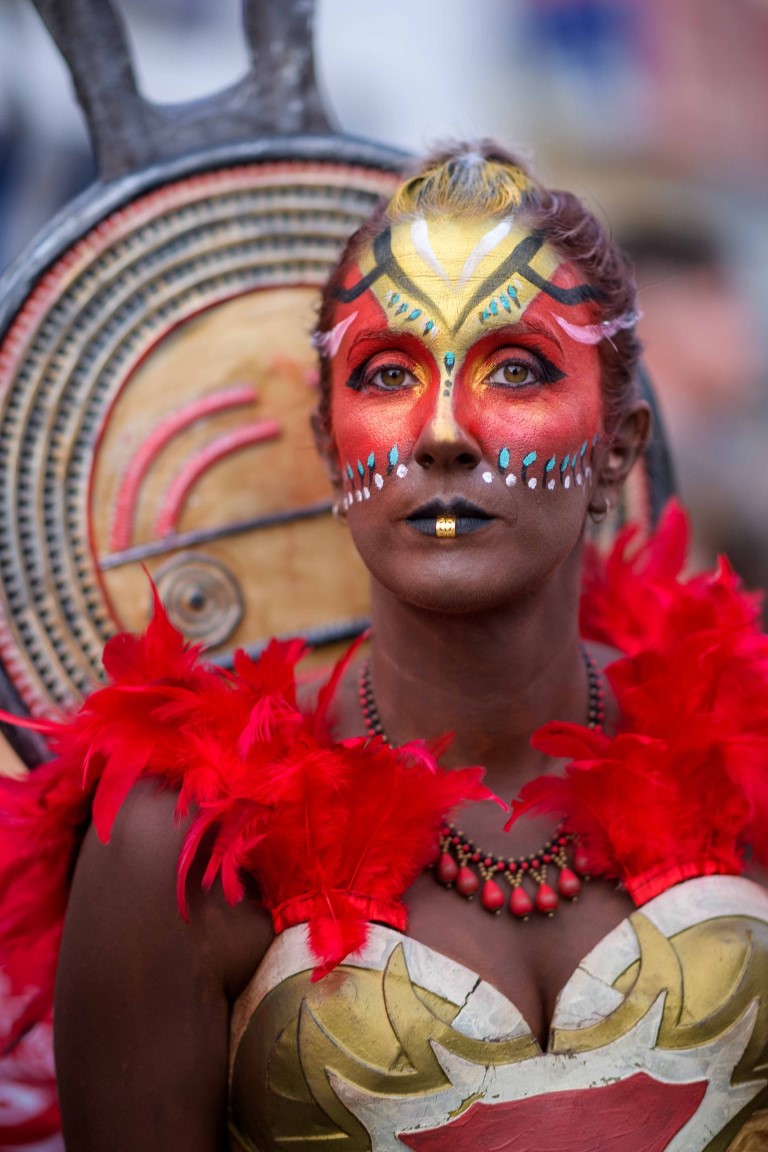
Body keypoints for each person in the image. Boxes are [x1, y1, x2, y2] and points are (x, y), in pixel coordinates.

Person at [2, 143, 768, 1152]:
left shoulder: (750, 773)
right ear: (332, 448)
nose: (443, 431)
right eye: (389, 373)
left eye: (518, 369)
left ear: (617, 448)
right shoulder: (179, 847)